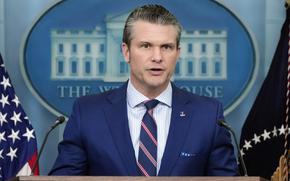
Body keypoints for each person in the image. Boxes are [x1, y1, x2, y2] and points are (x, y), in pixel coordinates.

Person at [49, 4, 238, 176]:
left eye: (166, 47)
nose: (157, 57)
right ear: (126, 52)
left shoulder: (208, 116)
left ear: (177, 53)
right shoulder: (88, 113)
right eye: (146, 46)